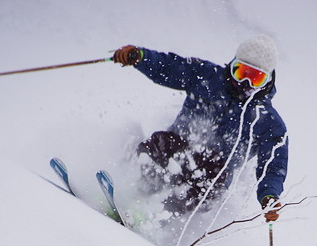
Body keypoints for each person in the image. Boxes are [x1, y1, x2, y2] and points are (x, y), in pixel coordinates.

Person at [112, 34, 288, 222]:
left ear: (268, 81)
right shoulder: (208, 76)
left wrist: (269, 195)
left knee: (209, 172)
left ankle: (155, 216)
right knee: (162, 142)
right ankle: (132, 195)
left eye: (256, 78)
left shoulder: (268, 122)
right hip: (177, 148)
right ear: (232, 65)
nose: (246, 83)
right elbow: (170, 67)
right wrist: (141, 57)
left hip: (213, 175)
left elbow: (273, 165)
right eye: (241, 72)